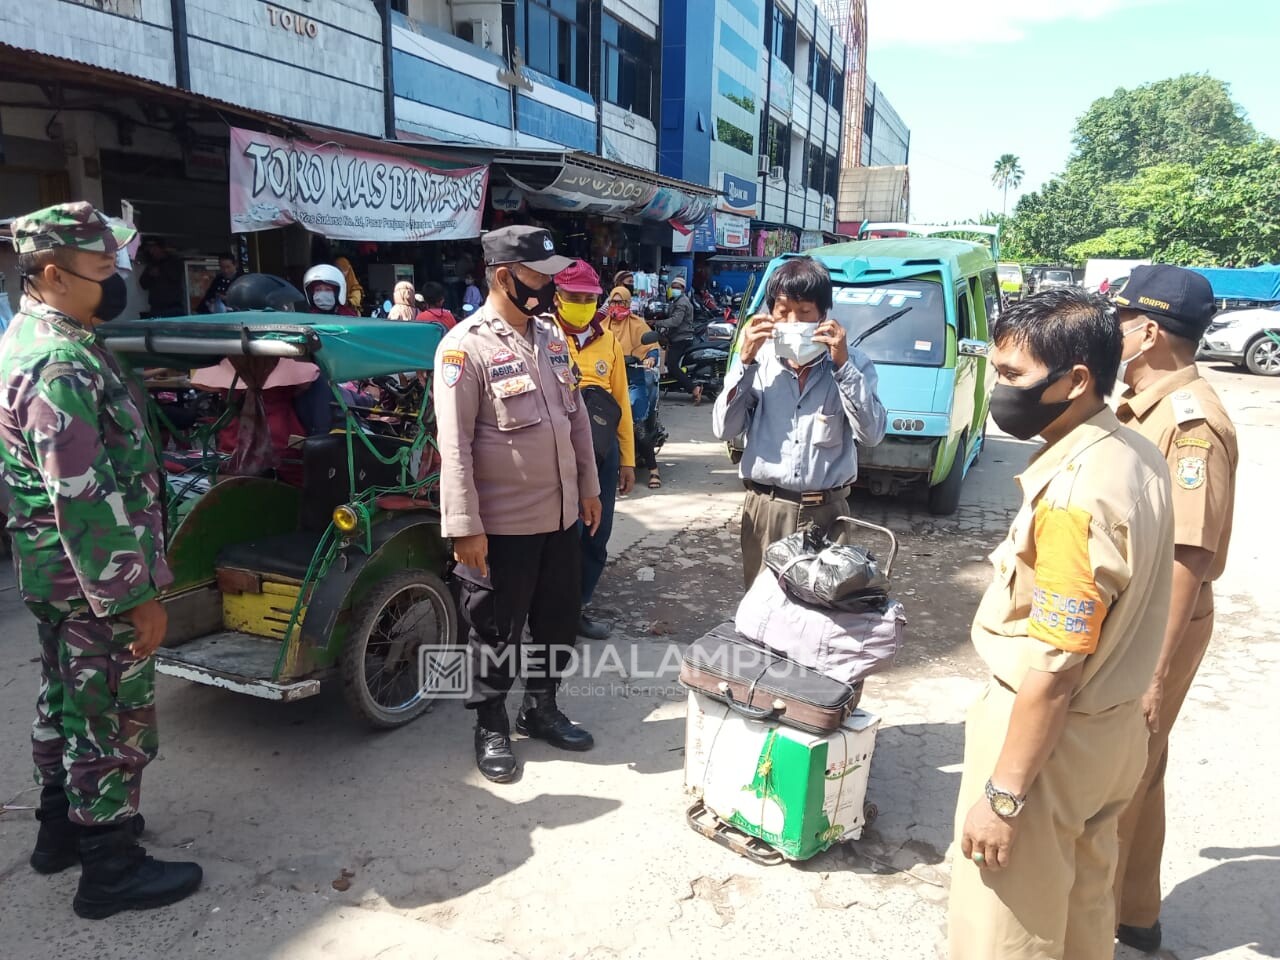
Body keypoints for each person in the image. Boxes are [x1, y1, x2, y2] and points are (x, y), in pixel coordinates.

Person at [947, 289, 1176, 960]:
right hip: (1108, 739)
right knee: (1080, 921)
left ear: (1075, 380)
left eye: (1013, 375)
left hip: (1045, 748)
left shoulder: (1075, 495)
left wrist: (1005, 797)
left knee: (1007, 935)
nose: (999, 389)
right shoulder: (1134, 452)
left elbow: (1054, 665)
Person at [0, 202, 202, 918]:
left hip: (54, 574)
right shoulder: (58, 358)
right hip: (94, 582)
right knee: (109, 719)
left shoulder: (37, 333)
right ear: (51, 273)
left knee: (65, 700)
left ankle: (62, 832)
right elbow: (82, 495)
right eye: (100, 267)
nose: (115, 279)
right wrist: (132, 596)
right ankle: (110, 870)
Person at [433, 225, 603, 784]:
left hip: (559, 518)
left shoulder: (551, 338)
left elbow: (574, 418)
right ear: (505, 277)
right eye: (541, 277)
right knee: (494, 632)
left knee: (556, 622)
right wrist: (464, 526)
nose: (551, 288)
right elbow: (454, 445)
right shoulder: (464, 347)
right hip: (501, 528)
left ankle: (541, 707)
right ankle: (491, 725)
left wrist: (589, 489)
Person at [1109, 266, 1239, 953]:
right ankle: (1133, 911)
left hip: (1160, 620)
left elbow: (1189, 554)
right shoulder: (1148, 403)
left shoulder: (1191, 424)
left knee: (1120, 763)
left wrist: (1153, 677)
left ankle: (1101, 916)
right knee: (1139, 765)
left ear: (1150, 331)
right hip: (1141, 613)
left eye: (1121, 322)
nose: (1113, 334)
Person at [711, 257, 886, 589]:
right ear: (770, 314)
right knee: (764, 609)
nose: (793, 321)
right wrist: (744, 361)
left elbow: (872, 434)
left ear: (823, 315)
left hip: (827, 513)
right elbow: (724, 428)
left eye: (804, 312)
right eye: (782, 311)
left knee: (821, 614)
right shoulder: (757, 361)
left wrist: (843, 367)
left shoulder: (854, 364)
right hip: (767, 509)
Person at [553, 262, 636, 641]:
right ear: (558, 298)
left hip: (602, 453)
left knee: (595, 533)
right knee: (557, 533)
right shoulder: (543, 334)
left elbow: (622, 404)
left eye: (590, 298)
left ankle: (578, 606)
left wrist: (628, 460)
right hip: (555, 453)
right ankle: (548, 608)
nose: (583, 304)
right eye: (575, 297)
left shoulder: (609, 342)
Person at [603, 284, 663, 488]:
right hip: (606, 380)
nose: (617, 306)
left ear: (628, 304)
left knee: (635, 422)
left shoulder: (638, 324)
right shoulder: (600, 324)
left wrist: (651, 359)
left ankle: (653, 469)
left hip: (632, 378)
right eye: (613, 302)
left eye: (621, 302)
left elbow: (652, 348)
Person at [660, 275, 703, 403]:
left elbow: (675, 321)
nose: (674, 289)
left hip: (682, 338)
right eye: (673, 287)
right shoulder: (676, 300)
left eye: (677, 287)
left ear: (683, 289)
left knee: (672, 365)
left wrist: (658, 323)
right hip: (678, 337)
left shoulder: (682, 302)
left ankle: (694, 388)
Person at [138, 236, 186, 316]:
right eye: (150, 249)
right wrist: (150, 275)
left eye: (154, 248)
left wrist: (162, 270)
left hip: (173, 308)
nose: (151, 251)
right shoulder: (152, 264)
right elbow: (143, 284)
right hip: (156, 309)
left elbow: (176, 276)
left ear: (161, 248)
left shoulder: (174, 261)